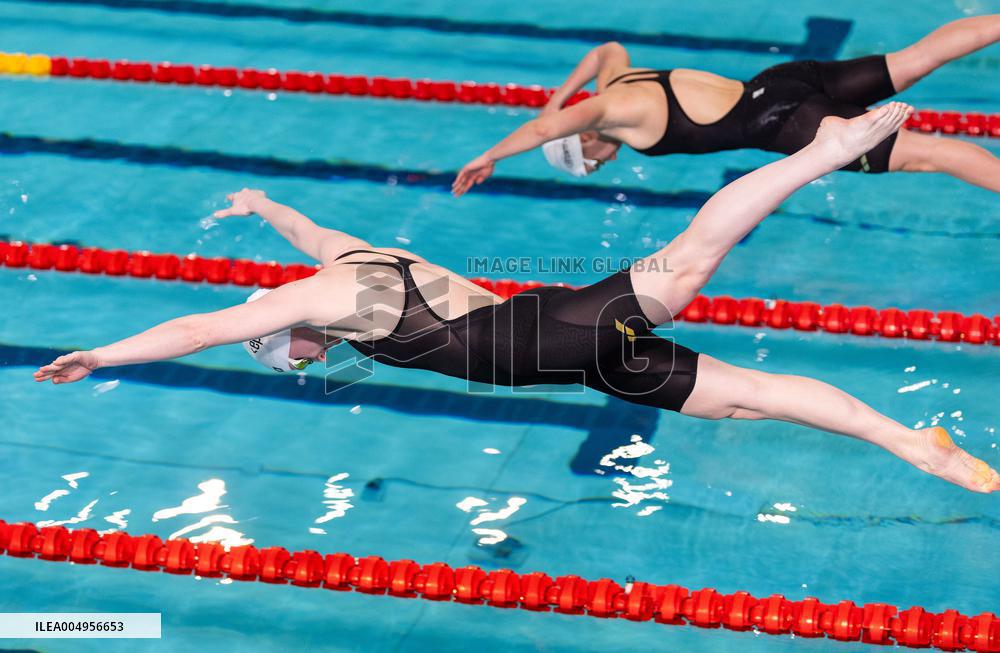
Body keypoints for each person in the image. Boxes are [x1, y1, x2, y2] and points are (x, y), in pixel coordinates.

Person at [34, 104, 998, 494]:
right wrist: (260, 201)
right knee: (752, 392)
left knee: (696, 252)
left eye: (285, 351)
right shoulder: (351, 261)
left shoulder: (318, 298)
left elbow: (205, 324)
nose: (299, 358)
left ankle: (823, 150)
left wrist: (101, 355)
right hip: (573, 356)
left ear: (286, 331)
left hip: (554, 334)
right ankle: (914, 442)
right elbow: (307, 228)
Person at [452, 15, 1000, 195]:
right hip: (783, 80)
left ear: (584, 141)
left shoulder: (610, 114)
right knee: (919, 56)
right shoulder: (621, 77)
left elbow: (544, 130)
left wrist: (490, 155)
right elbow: (605, 50)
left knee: (935, 156)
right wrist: (558, 94)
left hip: (782, 120)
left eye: (595, 160)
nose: (609, 161)